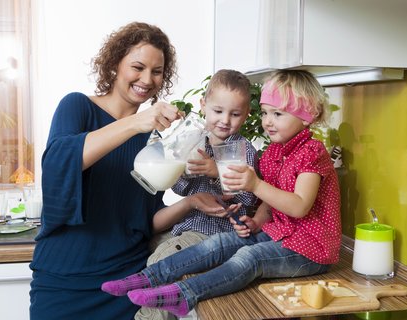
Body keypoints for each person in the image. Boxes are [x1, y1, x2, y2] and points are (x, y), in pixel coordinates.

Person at [100, 69, 341, 317]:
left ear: (307, 116)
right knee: (220, 244)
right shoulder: (273, 154)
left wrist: (247, 182)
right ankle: (146, 278)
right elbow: (269, 203)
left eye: (277, 114)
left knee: (250, 257)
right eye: (266, 112)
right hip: (276, 235)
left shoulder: (311, 152)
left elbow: (298, 206)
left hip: (311, 250)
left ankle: (183, 294)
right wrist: (257, 221)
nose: (267, 121)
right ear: (204, 106)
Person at [29, 22, 225, 320]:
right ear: (115, 64)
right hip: (63, 281)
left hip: (126, 283)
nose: (147, 79)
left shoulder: (153, 141)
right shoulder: (78, 107)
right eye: (138, 66)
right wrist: (137, 122)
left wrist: (190, 203)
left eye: (156, 72)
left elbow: (145, 220)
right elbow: (58, 164)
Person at [133, 69, 259, 320]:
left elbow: (249, 199)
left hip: (215, 233)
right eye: (218, 111)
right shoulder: (193, 140)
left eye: (235, 114)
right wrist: (183, 169)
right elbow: (180, 189)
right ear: (203, 106)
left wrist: (216, 172)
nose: (225, 120)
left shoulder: (243, 150)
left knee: (160, 262)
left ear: (246, 115)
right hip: (188, 225)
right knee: (143, 247)